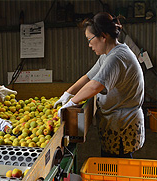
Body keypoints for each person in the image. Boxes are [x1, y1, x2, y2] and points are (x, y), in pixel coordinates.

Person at [54, 12, 145, 158]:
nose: (89, 45)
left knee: (117, 168)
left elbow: (95, 86)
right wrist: (67, 93)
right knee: (111, 166)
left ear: (103, 36)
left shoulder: (117, 57)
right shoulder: (107, 55)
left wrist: (72, 102)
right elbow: (88, 78)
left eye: (90, 39)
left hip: (122, 126)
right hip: (115, 123)